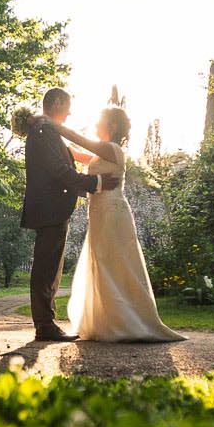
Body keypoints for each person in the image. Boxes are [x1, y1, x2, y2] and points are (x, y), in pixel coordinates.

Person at [55, 104, 185, 343]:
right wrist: (53, 141)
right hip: (99, 213)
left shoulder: (112, 149)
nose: (95, 125)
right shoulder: (101, 153)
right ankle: (108, 322)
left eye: (99, 121)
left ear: (112, 126)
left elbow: (80, 141)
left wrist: (53, 125)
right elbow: (76, 153)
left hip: (112, 213)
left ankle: (127, 323)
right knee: (102, 262)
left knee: (114, 263)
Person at [19, 88, 119, 341]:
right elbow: (61, 172)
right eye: (68, 105)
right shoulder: (44, 132)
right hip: (50, 208)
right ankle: (44, 325)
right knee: (46, 268)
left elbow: (64, 166)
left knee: (51, 267)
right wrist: (96, 182)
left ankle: (46, 323)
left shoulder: (45, 132)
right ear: (55, 103)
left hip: (53, 208)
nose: (70, 111)